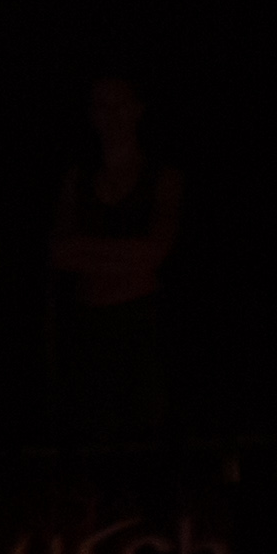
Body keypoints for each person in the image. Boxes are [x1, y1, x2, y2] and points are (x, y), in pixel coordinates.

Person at [47, 66, 180, 445]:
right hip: (87, 323)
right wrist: (128, 254)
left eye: (119, 105)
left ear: (137, 109)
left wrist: (87, 249)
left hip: (142, 321)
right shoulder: (78, 178)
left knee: (144, 429)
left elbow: (154, 253)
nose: (111, 116)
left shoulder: (163, 177)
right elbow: (59, 252)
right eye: (102, 106)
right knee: (90, 430)